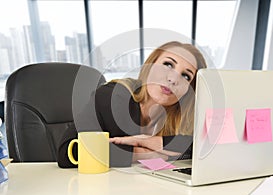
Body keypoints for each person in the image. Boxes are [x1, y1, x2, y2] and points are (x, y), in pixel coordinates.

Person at [57, 41, 207, 168]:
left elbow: (202, 148)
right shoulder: (111, 98)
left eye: (186, 76)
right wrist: (140, 154)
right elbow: (68, 152)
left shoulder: (179, 117)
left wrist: (152, 142)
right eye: (168, 65)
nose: (173, 79)